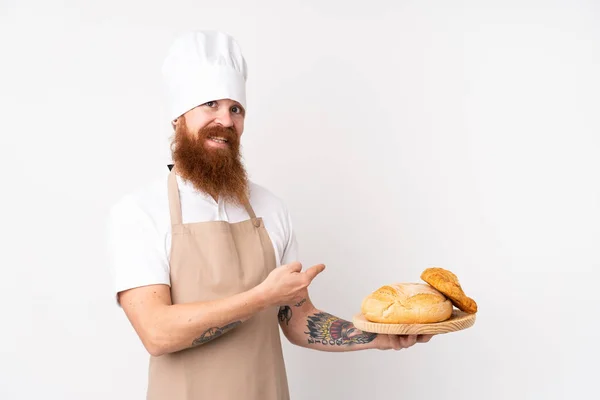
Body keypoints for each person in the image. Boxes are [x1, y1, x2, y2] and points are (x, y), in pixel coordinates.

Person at [106, 30, 433, 400]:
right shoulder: (139, 212)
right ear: (179, 117)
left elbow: (297, 320)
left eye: (236, 109)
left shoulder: (271, 208)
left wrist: (379, 336)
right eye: (210, 104)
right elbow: (157, 333)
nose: (226, 120)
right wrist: (261, 297)